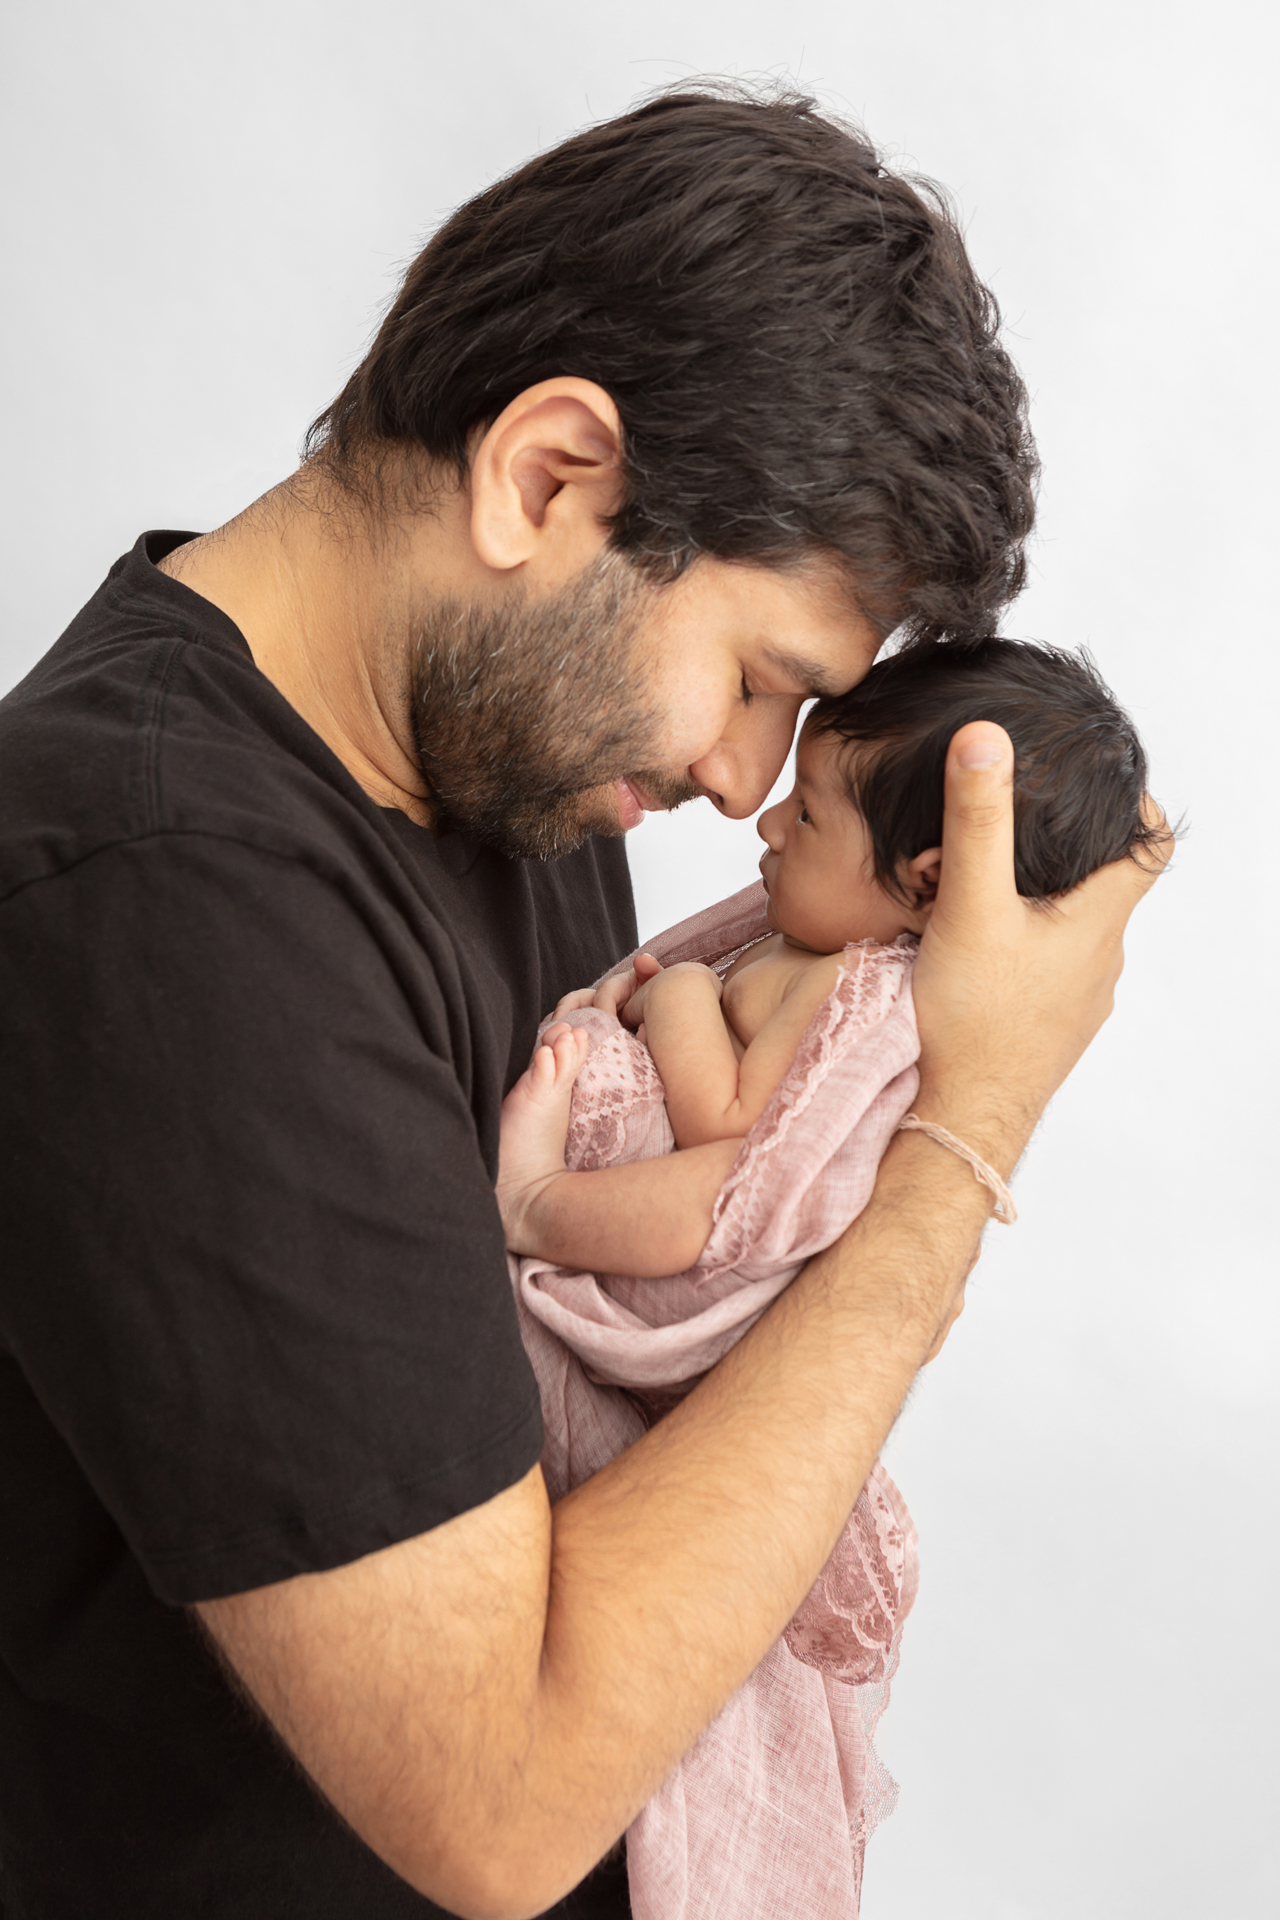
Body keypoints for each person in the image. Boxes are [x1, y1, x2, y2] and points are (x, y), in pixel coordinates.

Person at [0, 85, 1167, 1920]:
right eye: (762, 681)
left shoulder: (492, 751)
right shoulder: (155, 888)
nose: (743, 779)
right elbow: (504, 1795)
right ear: (548, 474)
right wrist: (964, 1135)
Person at [498, 638, 1161, 1278]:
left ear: (928, 882)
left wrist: (681, 994)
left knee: (715, 1191)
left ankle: (532, 1205)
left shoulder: (855, 994)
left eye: (808, 812)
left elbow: (727, 1131)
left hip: (681, 1226)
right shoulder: (808, 938)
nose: (769, 822)